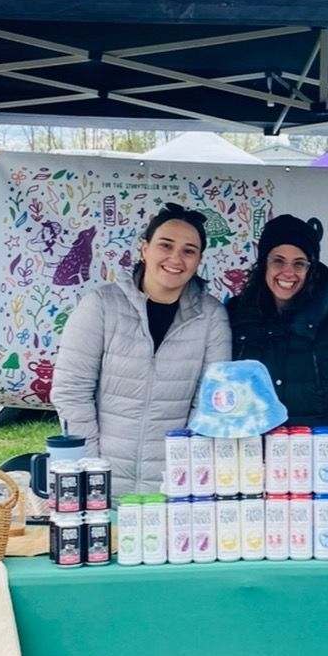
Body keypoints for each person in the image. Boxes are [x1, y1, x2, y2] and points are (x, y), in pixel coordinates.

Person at [51, 203, 231, 492]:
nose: (176, 258)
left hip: (173, 485)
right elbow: (71, 391)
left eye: (189, 250)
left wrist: (184, 469)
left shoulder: (212, 317)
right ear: (144, 249)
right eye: (165, 245)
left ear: (198, 260)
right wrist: (90, 466)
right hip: (101, 479)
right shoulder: (101, 305)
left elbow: (210, 404)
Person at [226, 213, 328, 446]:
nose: (288, 272)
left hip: (318, 467)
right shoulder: (235, 314)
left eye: (299, 263)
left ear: (311, 268)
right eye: (278, 260)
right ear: (263, 264)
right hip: (249, 465)